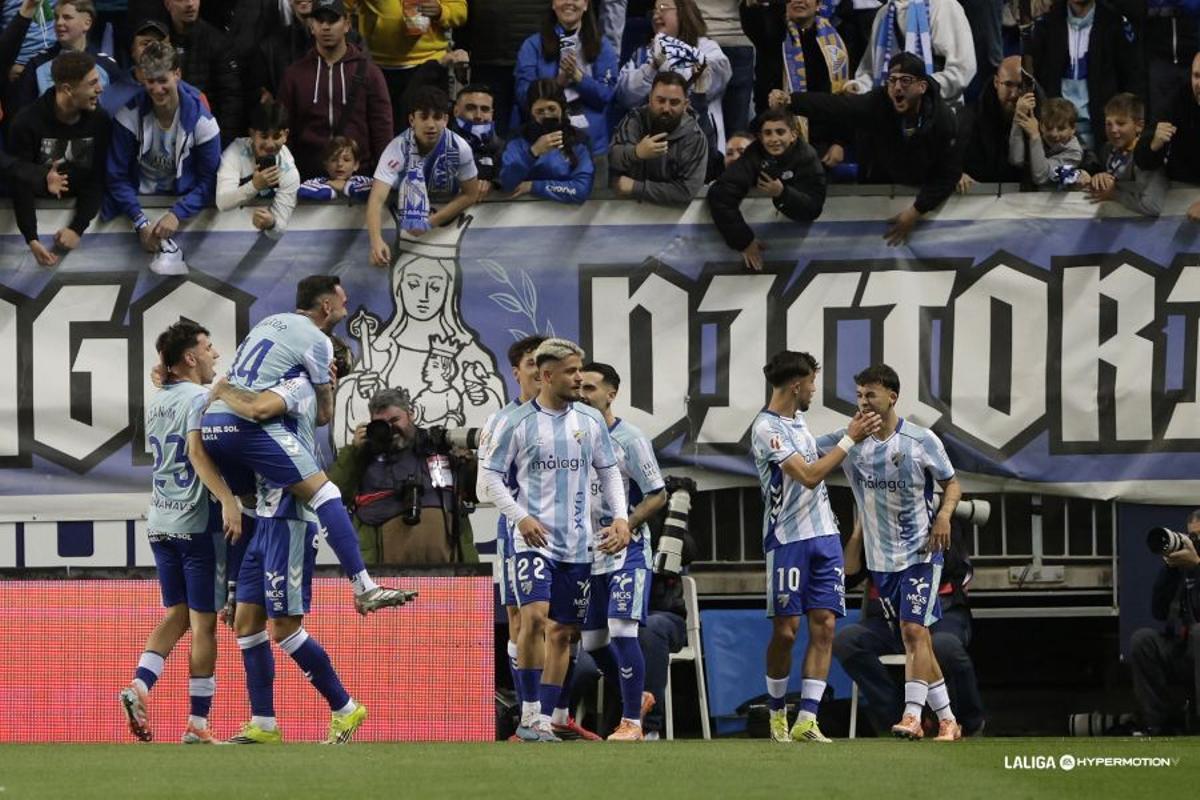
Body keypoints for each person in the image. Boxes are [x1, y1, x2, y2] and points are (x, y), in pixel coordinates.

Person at [200, 274, 416, 616]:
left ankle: (231, 591)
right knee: (326, 494)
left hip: (213, 427)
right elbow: (260, 409)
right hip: (246, 430)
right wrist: (224, 389)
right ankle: (363, 587)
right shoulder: (309, 361)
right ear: (326, 304)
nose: (345, 311)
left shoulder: (271, 324)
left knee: (249, 509)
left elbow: (320, 415)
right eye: (342, 303)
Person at [476, 337, 631, 742]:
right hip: (533, 539)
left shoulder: (590, 421)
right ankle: (528, 714)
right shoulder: (516, 422)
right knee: (533, 617)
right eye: (571, 372)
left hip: (578, 544)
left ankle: (544, 717)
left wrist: (620, 517)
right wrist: (521, 517)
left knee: (563, 631)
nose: (579, 378)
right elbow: (490, 478)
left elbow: (609, 471)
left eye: (580, 370)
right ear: (547, 376)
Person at [816, 363, 964, 741]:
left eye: (871, 395)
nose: (863, 402)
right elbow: (806, 453)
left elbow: (952, 483)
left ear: (891, 397)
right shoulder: (850, 440)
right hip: (881, 559)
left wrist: (944, 515)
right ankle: (948, 720)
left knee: (913, 630)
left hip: (921, 551)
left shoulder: (920, 440)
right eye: (860, 395)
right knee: (919, 638)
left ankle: (912, 715)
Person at [221, 373, 371, 744]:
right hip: (264, 520)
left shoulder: (296, 391)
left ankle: (345, 708)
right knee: (246, 623)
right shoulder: (277, 394)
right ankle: (263, 723)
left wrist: (221, 392)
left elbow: (263, 410)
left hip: (290, 518)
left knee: (284, 627)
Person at [119, 320, 242, 745]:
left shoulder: (158, 400)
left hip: (160, 522)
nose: (215, 355)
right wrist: (228, 499)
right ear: (190, 358)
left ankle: (139, 685)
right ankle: (198, 724)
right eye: (208, 347)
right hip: (196, 523)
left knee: (176, 614)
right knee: (204, 624)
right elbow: (196, 451)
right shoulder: (198, 398)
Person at [751, 350, 879, 743]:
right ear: (796, 384)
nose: (813, 390)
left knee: (824, 627)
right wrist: (850, 439)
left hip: (825, 536)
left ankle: (807, 719)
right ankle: (777, 714)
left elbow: (814, 452)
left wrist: (850, 432)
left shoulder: (798, 423)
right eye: (810, 383)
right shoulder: (765, 428)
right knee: (787, 632)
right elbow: (808, 475)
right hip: (787, 539)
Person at [786, 52, 962, 246]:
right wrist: (792, 101)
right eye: (892, 80)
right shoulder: (878, 102)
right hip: (877, 183)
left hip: (921, 188)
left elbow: (948, 175)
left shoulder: (943, 119)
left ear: (922, 87)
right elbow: (836, 107)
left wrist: (915, 212)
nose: (897, 87)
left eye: (905, 80)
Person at [578, 361, 667, 741]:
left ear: (611, 394)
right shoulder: (572, 436)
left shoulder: (629, 438)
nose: (582, 394)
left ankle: (631, 720)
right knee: (594, 642)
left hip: (626, 551)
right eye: (579, 387)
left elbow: (657, 494)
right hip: (585, 552)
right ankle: (639, 696)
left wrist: (626, 525)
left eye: (591, 388)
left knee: (622, 629)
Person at [834, 517, 986, 737]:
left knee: (944, 646)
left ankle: (968, 723)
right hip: (888, 619)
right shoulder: (877, 525)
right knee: (847, 641)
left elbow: (952, 567)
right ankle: (899, 718)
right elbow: (846, 577)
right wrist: (860, 531)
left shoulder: (935, 514)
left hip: (941, 612)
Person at [476, 335, 546, 737]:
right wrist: (521, 511)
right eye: (531, 362)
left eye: (544, 361)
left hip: (566, 529)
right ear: (515, 371)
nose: (538, 369)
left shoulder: (570, 417)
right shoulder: (503, 421)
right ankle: (528, 714)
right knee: (523, 617)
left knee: (557, 622)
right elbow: (486, 487)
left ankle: (553, 711)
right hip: (517, 530)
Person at [104, 40, 219, 276]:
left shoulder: (202, 122)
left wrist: (178, 213)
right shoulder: (128, 115)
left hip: (181, 207)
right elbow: (116, 175)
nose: (157, 89)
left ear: (177, 74)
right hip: (135, 206)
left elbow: (210, 180)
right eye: (151, 81)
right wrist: (139, 221)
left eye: (163, 80)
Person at [325, 387, 458, 564]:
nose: (391, 428)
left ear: (411, 414)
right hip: (385, 574)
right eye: (382, 424)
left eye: (395, 419)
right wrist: (353, 451)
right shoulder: (363, 455)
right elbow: (332, 495)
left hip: (454, 572)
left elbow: (476, 490)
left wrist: (469, 463)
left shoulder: (437, 444)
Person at [6, 50, 109, 267]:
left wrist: (77, 227)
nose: (100, 89)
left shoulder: (100, 120)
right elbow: (19, 179)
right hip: (32, 224)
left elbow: (96, 179)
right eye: (92, 84)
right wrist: (31, 238)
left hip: (77, 224)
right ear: (67, 89)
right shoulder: (26, 122)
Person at [277, 0, 393, 179]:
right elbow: (285, 132)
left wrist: (384, 178)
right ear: (311, 26)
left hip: (360, 178)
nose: (325, 27)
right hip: (307, 179)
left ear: (347, 25)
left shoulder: (370, 73)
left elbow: (382, 131)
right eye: (320, 20)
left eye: (332, 20)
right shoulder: (294, 75)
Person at [367, 85, 480, 264]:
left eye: (437, 117)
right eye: (424, 117)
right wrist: (376, 240)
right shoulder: (397, 148)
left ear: (446, 119)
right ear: (412, 120)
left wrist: (430, 223)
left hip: (443, 224)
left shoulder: (460, 148)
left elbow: (470, 194)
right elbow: (376, 198)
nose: (430, 124)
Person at [614, 0, 731, 172]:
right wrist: (651, 68)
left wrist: (667, 60)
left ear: (684, 12)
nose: (656, 15)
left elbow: (712, 83)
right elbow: (624, 95)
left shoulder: (707, 48)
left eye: (663, 8)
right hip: (652, 152)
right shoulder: (642, 53)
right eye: (653, 11)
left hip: (699, 147)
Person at [707, 107, 825, 271]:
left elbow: (814, 208)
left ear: (793, 135)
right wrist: (744, 241)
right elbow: (719, 195)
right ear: (761, 138)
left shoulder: (807, 156)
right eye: (768, 133)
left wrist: (782, 194)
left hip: (803, 247)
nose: (774, 139)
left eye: (780, 132)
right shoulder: (753, 154)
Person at [514, 0, 619, 180]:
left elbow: (606, 95)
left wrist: (579, 78)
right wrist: (557, 84)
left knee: (594, 207)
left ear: (586, 5)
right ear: (553, 4)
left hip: (592, 146)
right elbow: (524, 96)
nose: (569, 2)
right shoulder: (532, 45)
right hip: (544, 144)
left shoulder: (602, 45)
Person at [1026, 0, 1145, 152]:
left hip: (1102, 131)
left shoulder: (1115, 23)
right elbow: (1037, 77)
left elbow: (1131, 77)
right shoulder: (1046, 24)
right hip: (1056, 131)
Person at [1129, 512, 1200, 736]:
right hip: (1190, 651)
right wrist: (1170, 568)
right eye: (1192, 536)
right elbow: (1158, 612)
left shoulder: (1195, 565)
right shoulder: (1183, 567)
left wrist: (1198, 566)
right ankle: (1157, 725)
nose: (1195, 542)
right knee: (1143, 640)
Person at [357, 0, 467, 132]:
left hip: (430, 63)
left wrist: (441, 11)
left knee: (428, 131)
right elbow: (346, 8)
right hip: (380, 65)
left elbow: (460, 11)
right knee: (382, 131)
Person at [843, 0, 976, 108]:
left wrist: (920, 90)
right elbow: (872, 72)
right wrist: (859, 86)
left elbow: (962, 69)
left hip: (937, 114)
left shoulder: (943, 6)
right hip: (890, 115)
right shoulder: (883, 14)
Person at [769, 0, 851, 165]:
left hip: (824, 143)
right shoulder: (772, 34)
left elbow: (844, 98)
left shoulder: (839, 38)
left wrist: (840, 142)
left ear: (818, 4)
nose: (798, 1)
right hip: (779, 137)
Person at [609, 70, 708, 204]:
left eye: (674, 102)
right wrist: (636, 152)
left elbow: (686, 191)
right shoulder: (635, 119)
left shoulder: (695, 137)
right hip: (623, 214)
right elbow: (612, 158)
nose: (666, 108)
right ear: (650, 99)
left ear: (685, 105)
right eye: (660, 100)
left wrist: (636, 187)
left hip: (672, 219)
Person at [13, 0, 123, 115]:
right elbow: (24, 114)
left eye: (67, 17)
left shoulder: (107, 66)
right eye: (56, 17)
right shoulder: (37, 63)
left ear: (87, 23)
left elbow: (117, 111)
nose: (59, 22)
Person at [456, 0, 545, 135]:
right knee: (485, 130)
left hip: (534, 63)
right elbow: (464, 12)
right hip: (487, 62)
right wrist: (461, 49)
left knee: (534, 129)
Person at [499, 78, 594, 203]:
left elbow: (581, 190)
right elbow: (508, 183)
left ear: (562, 108)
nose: (547, 115)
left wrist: (534, 186)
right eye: (540, 111)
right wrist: (533, 153)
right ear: (531, 113)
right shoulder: (517, 138)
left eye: (551, 109)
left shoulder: (578, 140)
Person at [215, 99, 300, 239]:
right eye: (264, 136)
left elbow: (279, 231)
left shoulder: (289, 171)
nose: (270, 144)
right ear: (252, 134)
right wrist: (255, 186)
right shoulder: (235, 152)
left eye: (277, 136)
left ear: (285, 135)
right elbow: (222, 203)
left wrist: (271, 223)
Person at [160, 0, 243, 142]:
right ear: (168, 4)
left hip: (205, 135)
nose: (190, 4)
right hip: (164, 133)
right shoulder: (158, 40)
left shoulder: (216, 41)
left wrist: (219, 141)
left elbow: (230, 98)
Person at [1135, 51, 1200, 220]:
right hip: (1180, 182)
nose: (1199, 83)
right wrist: (1153, 145)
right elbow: (1141, 159)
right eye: (1196, 76)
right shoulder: (1177, 99)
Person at [1081, 92, 1165, 217]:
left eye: (1121, 123)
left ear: (1139, 126)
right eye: (1108, 124)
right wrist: (1099, 178)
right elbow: (1109, 180)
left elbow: (1152, 206)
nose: (1113, 130)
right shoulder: (1107, 150)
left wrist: (1114, 194)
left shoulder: (1147, 157)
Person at [956, 55, 1024, 191]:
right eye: (1008, 84)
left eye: (1021, 86)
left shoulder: (1042, 115)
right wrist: (956, 174)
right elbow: (945, 158)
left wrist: (1078, 173)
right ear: (996, 82)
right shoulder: (969, 119)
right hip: (976, 201)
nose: (1014, 94)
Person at [1008, 96, 1084, 188]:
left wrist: (1035, 137)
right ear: (1041, 125)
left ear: (1073, 129)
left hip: (1057, 200)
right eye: (1049, 128)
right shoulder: (1036, 135)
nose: (1054, 134)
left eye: (1061, 128)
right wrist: (1018, 116)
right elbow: (1016, 160)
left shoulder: (1074, 152)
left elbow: (1041, 177)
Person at [450, 83, 504, 193]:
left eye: (485, 109)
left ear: (492, 114)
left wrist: (494, 184)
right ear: (456, 111)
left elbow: (512, 178)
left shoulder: (503, 148)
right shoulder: (440, 145)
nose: (478, 116)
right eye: (471, 108)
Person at [297, 135, 374, 201]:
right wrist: (330, 189)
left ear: (356, 165)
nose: (340, 164)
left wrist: (346, 187)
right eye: (334, 160)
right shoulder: (317, 182)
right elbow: (302, 192)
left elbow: (376, 191)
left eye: (346, 160)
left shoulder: (363, 181)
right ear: (326, 165)